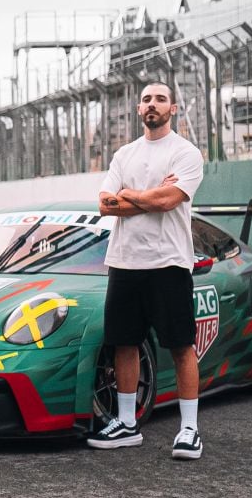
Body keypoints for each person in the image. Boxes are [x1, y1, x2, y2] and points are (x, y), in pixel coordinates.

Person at [87, 81, 205, 460]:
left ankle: (189, 430)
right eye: (146, 100)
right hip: (123, 262)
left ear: (173, 109)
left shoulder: (186, 153)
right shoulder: (124, 154)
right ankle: (127, 424)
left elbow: (171, 199)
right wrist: (150, 197)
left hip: (168, 263)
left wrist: (133, 195)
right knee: (125, 342)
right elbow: (106, 204)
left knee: (180, 346)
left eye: (160, 99)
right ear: (139, 110)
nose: (152, 105)